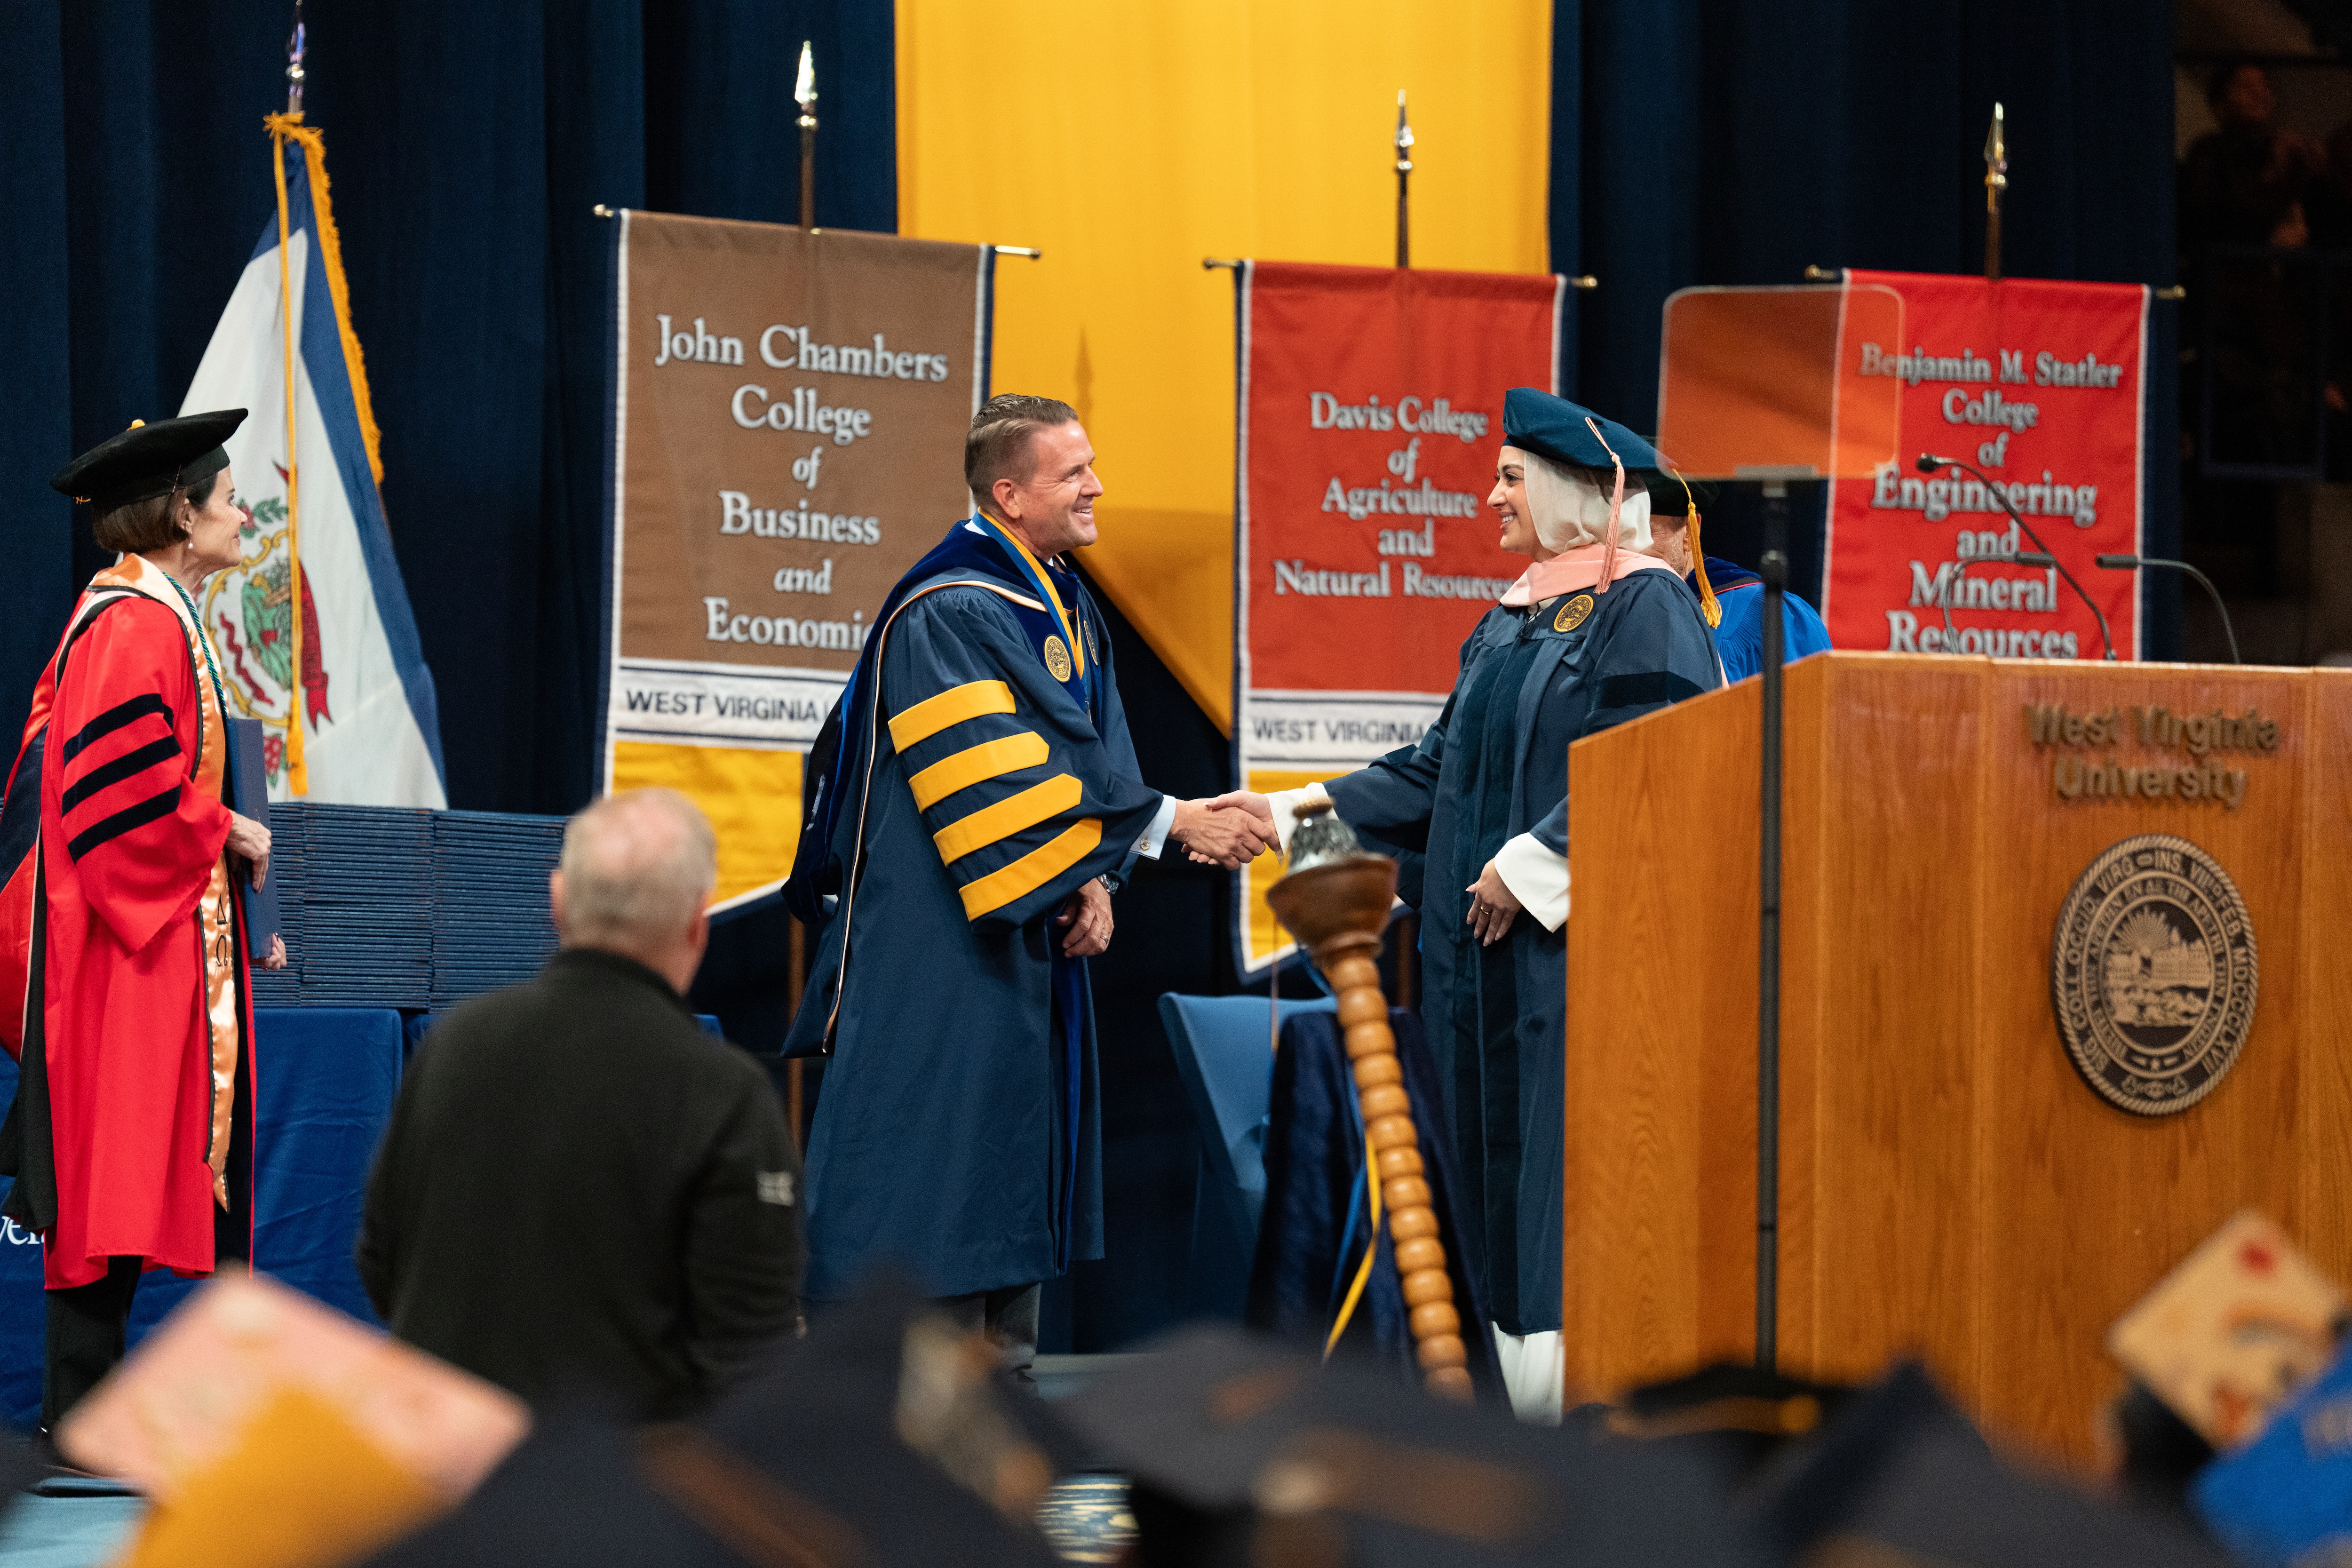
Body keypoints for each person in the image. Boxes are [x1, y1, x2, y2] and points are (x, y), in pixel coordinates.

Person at [1213, 389, 1723, 1421]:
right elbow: (1426, 776)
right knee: (1481, 1197)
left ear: (1572, 489)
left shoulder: (1646, 602)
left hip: (1572, 965)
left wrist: (1536, 865)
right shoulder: (1507, 621)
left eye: (1507, 475)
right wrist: (1282, 819)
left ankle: (1568, 1430)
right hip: (1473, 973)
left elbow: (1675, 755)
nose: (1487, 494)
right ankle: (1495, 1430)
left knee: (1552, 1195)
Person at [781, 393, 1274, 1377]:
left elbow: (1082, 754)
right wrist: (1168, 825)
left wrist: (1094, 873)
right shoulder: (951, 608)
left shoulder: (1054, 591)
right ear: (1008, 493)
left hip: (1010, 924)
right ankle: (878, 1407)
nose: (1097, 487)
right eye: (1072, 473)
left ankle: (996, 1404)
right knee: (929, 1158)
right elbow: (996, 772)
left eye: (1092, 464)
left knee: (997, 1161)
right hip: (938, 939)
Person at [0, 412, 287, 1435]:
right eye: (226, 496)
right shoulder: (132, 623)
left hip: (162, 934)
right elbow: (114, 803)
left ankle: (110, 1420)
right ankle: (84, 1422)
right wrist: (226, 831)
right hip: (125, 947)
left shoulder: (155, 613)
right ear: (178, 511)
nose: (241, 510)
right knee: (108, 1178)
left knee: (129, 1177)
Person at [356, 788, 802, 1418]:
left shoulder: (453, 1048)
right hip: (625, 1496)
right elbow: (751, 1351)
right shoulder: (723, 1095)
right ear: (698, 925)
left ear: (558, 900)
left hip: (451, 1488)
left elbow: (381, 1265)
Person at [1641, 479, 1831, 681]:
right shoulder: (1610, 609)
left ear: (1690, 531)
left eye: (1646, 531)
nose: (1626, 548)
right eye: (1612, 534)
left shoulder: (1765, 614)